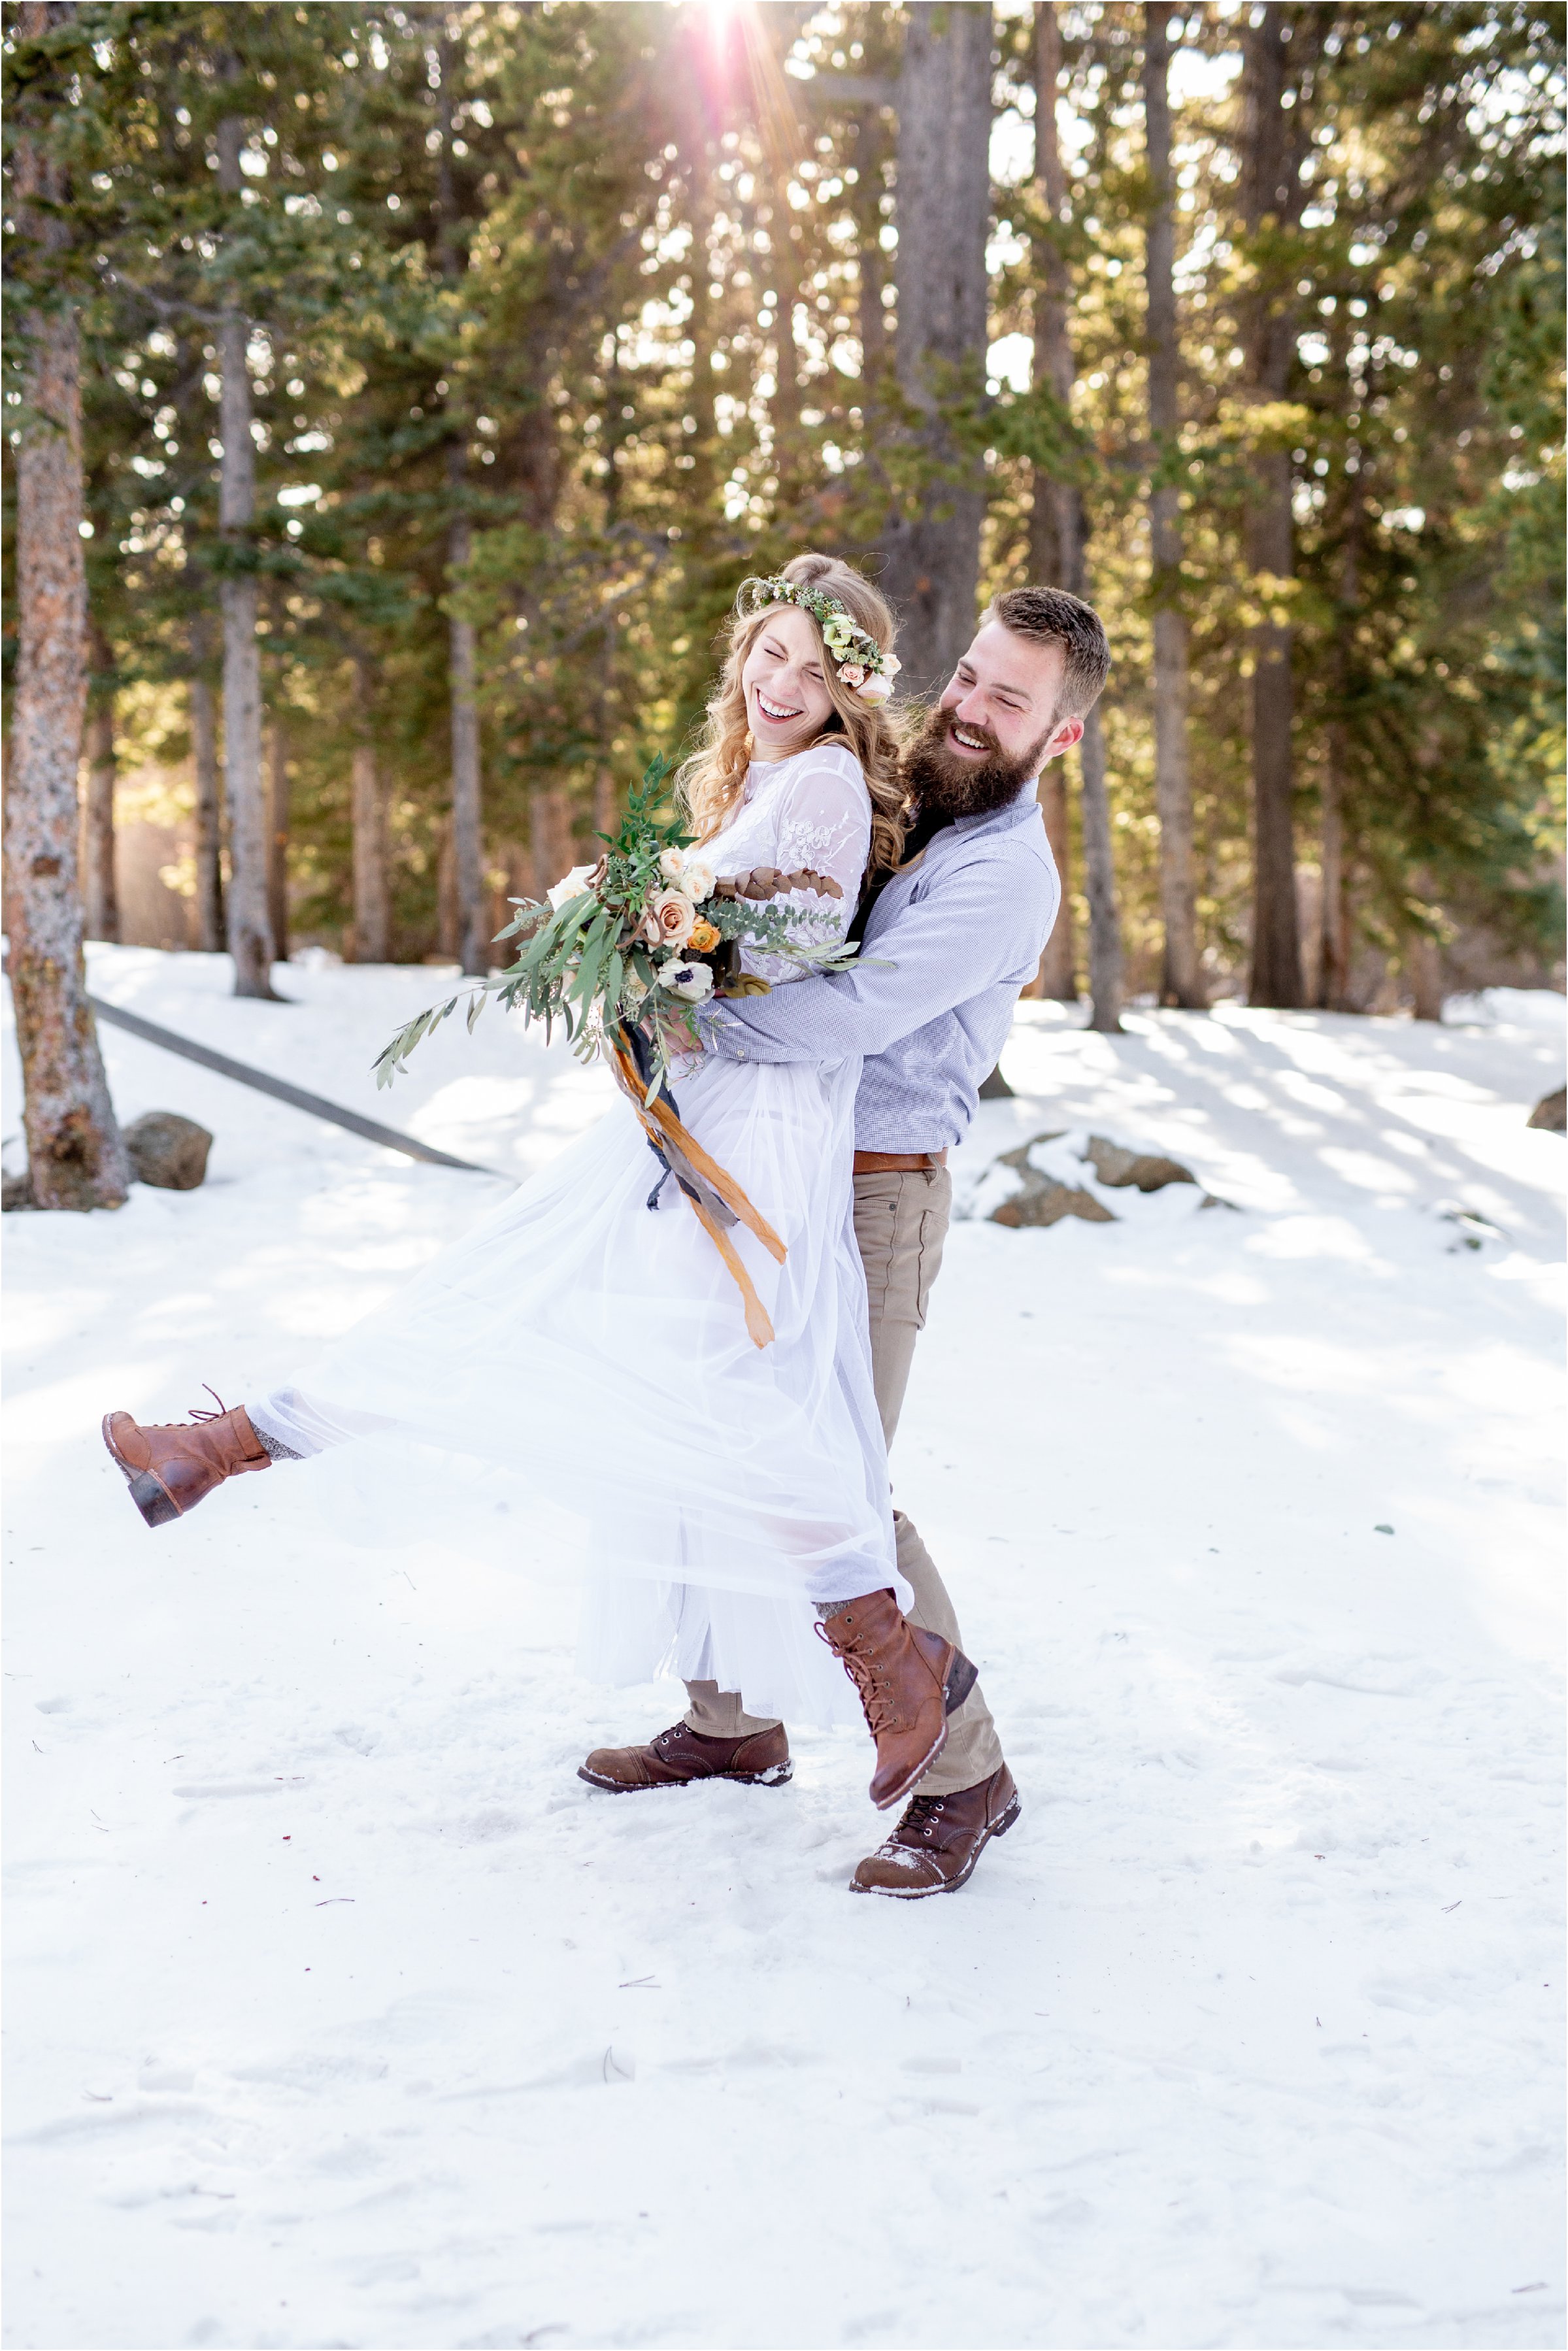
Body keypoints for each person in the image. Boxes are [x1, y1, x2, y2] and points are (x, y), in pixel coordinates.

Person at [102, 556, 984, 1828]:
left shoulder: (834, 783)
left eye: (813, 666)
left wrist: (661, 926)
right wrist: (649, 942)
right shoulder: (771, 779)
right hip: (699, 1111)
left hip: (762, 1130)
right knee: (517, 1292)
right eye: (769, 653)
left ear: (851, 691)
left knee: (757, 1393)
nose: (782, 682)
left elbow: (790, 944)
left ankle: (899, 1667)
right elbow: (734, 941)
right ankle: (223, 1443)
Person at [579, 586, 1111, 1899]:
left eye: (1012, 700)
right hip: (763, 1175)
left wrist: (681, 1009)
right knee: (715, 1435)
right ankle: (731, 1721)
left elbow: (850, 1013)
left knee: (836, 1482)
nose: (975, 710)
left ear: (1064, 735)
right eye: (974, 678)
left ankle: (965, 1773)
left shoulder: (1001, 870)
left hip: (872, 1198)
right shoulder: (904, 798)